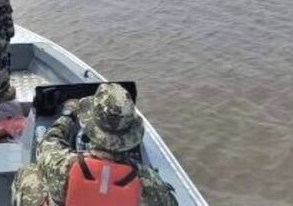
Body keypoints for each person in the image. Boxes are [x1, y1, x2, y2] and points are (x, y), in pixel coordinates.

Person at [11, 83, 178, 206]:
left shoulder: (62, 166)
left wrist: (68, 116)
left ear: (90, 125)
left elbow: (48, 142)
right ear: (131, 134)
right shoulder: (148, 181)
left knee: (29, 172)